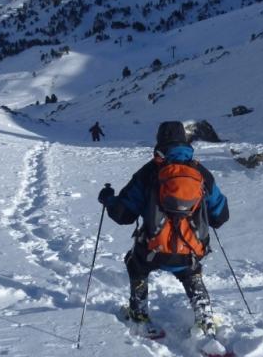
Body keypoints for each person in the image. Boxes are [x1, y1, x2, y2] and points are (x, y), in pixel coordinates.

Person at [97, 121, 229, 336]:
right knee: (191, 272)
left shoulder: (149, 172)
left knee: (135, 264)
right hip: (191, 250)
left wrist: (108, 200)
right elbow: (220, 216)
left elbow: (123, 215)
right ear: (185, 142)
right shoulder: (201, 173)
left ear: (159, 141)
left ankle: (138, 314)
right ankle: (205, 320)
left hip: (153, 250)